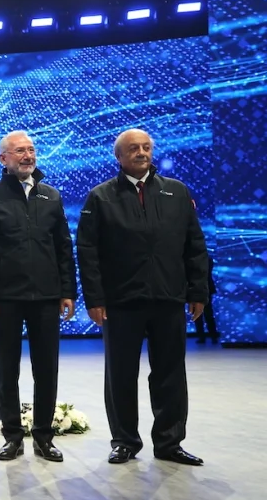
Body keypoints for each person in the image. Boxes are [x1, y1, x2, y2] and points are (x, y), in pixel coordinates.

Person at [76, 129, 209, 466]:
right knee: (120, 374)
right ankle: (124, 441)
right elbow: (88, 252)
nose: (142, 153)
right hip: (121, 301)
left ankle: (169, 442)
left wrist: (198, 290)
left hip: (169, 298)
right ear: (119, 157)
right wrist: (94, 298)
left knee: (171, 374)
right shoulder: (101, 196)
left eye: (147, 147)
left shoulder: (176, 191)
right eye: (133, 148)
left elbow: (194, 245)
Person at [0, 131, 77, 463]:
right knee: (7, 370)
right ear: (3, 159)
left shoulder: (51, 196)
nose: (28, 156)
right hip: (5, 300)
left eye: (31, 150)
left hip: (46, 297)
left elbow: (63, 248)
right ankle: (12, 437)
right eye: (20, 151)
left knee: (47, 370)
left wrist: (68, 291)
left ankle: (44, 437)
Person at [195, 255, 220, 344]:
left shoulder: (206, 259)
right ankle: (208, 336)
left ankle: (207, 336)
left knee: (205, 314)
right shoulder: (207, 259)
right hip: (200, 289)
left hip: (201, 289)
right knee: (203, 314)